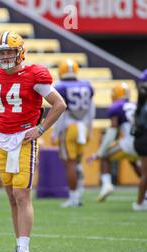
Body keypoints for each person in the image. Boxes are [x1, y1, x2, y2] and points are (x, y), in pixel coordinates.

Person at [0, 31, 66, 252]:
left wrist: (40, 129)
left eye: (9, 51)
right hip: (2, 139)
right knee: (10, 196)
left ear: (20, 53)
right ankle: (19, 248)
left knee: (21, 194)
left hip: (24, 139)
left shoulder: (34, 75)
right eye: (2, 52)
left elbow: (59, 104)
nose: (6, 56)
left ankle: (24, 251)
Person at [51, 59, 95, 208]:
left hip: (69, 127)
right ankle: (79, 191)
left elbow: (60, 111)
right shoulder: (87, 85)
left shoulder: (61, 87)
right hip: (83, 127)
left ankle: (74, 197)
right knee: (76, 162)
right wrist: (90, 129)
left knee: (69, 163)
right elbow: (91, 110)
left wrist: (55, 132)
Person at [87, 82, 139, 202]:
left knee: (105, 157)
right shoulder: (136, 104)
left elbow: (112, 132)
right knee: (134, 162)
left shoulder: (116, 107)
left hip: (129, 142)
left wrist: (99, 152)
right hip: (141, 141)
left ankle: (106, 185)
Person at [132, 69, 147, 211]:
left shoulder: (141, 102)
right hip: (144, 140)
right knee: (145, 174)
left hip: (141, 139)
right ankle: (139, 202)